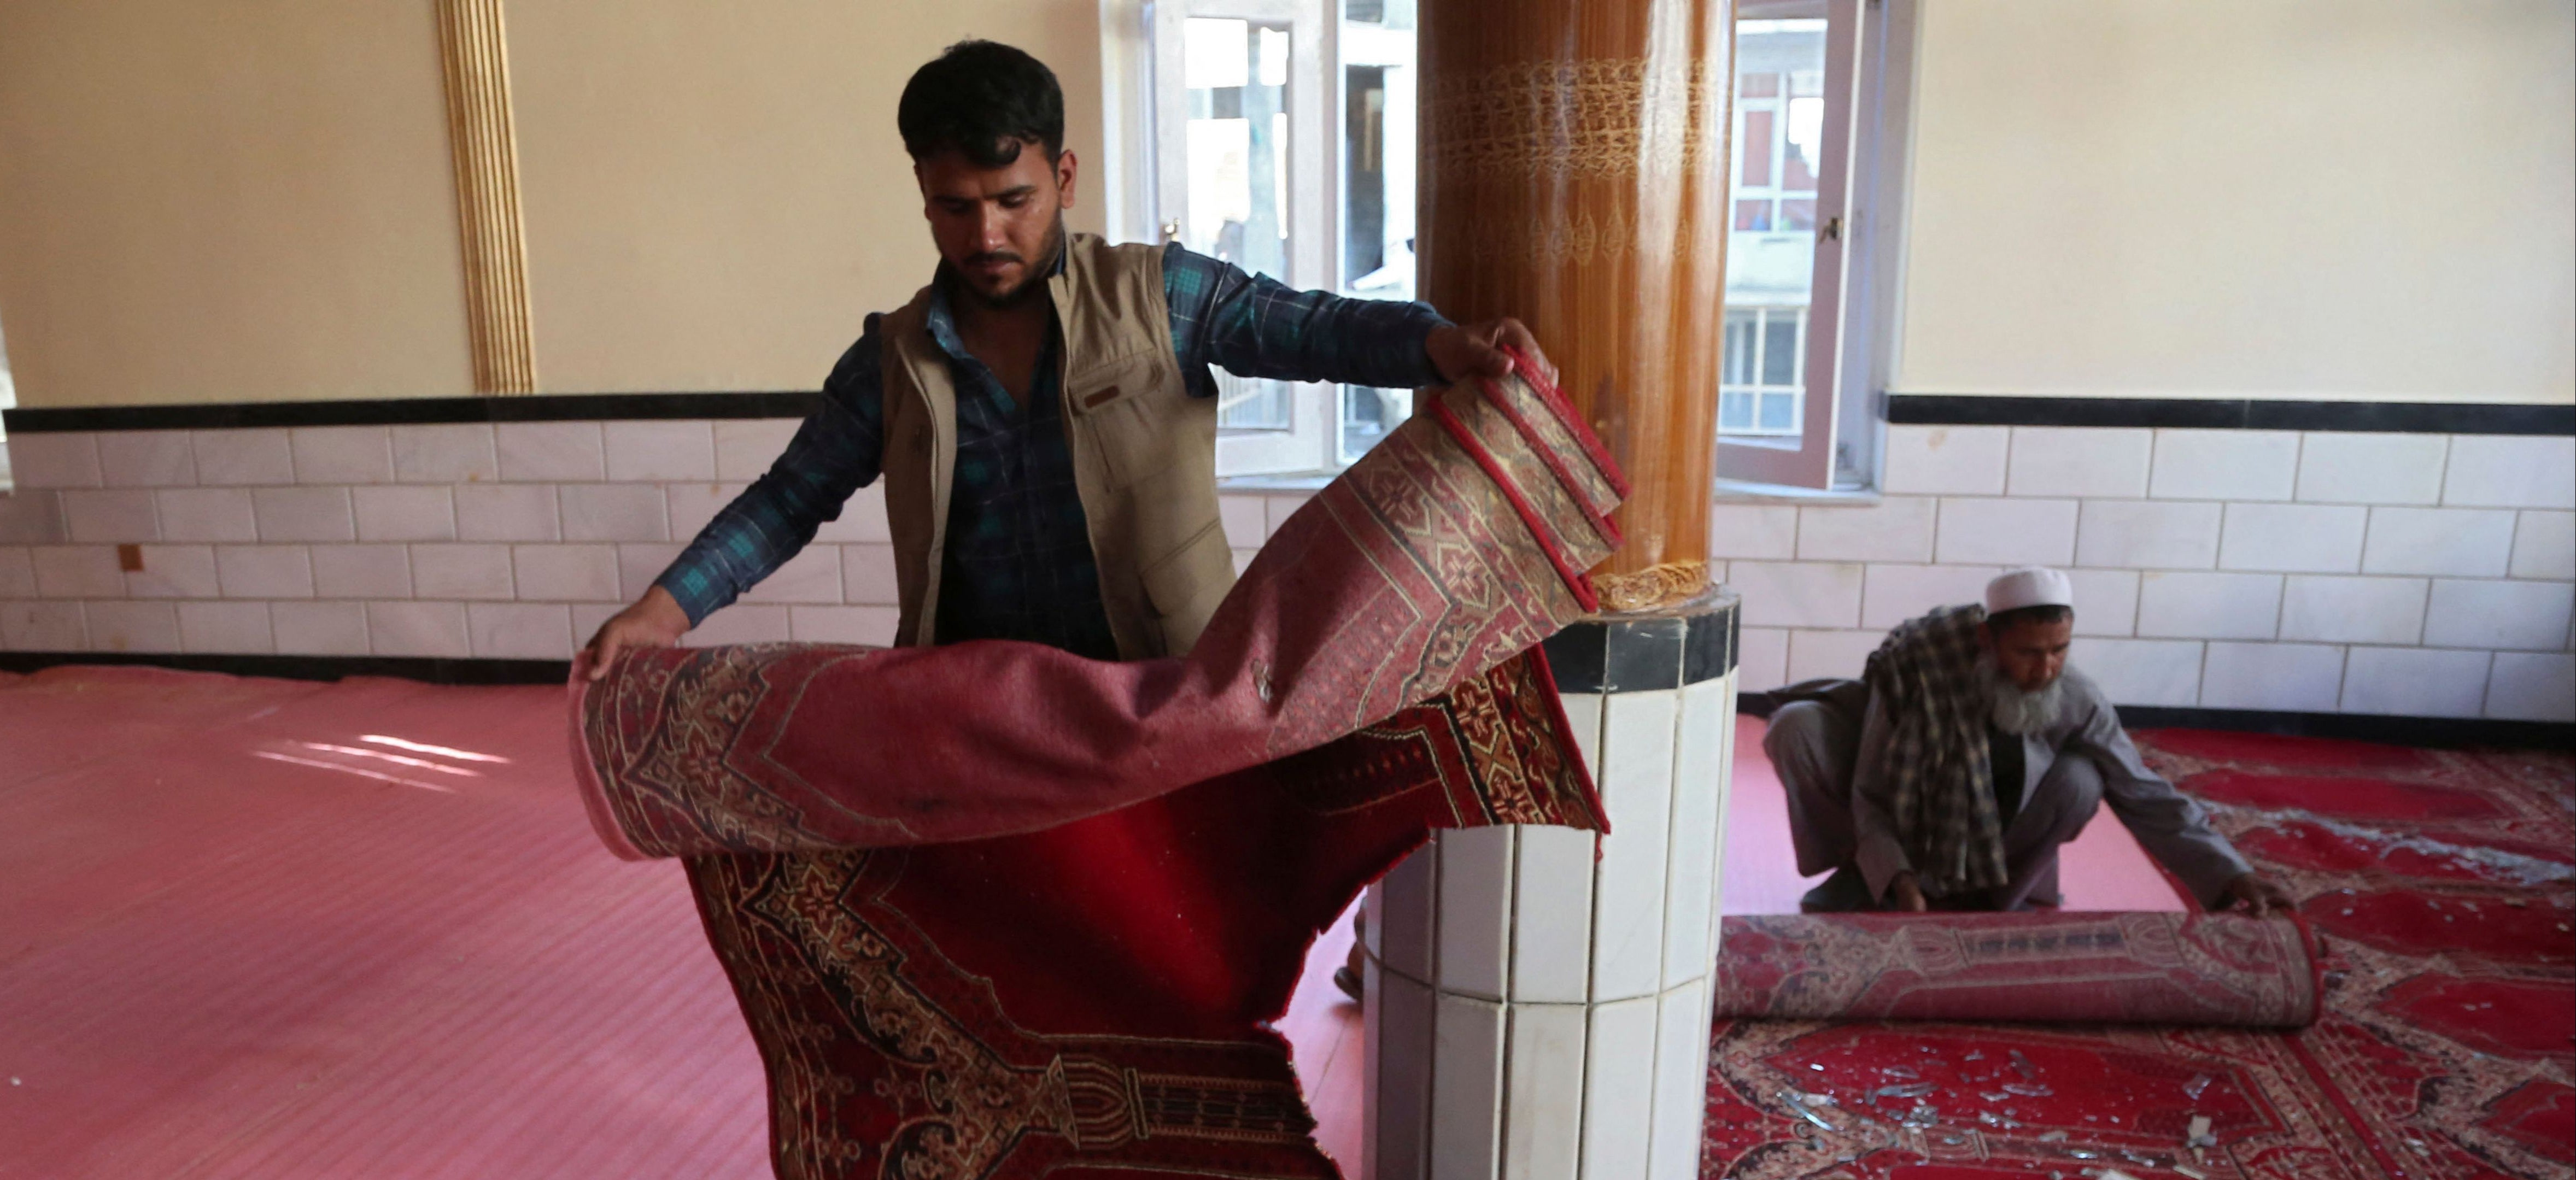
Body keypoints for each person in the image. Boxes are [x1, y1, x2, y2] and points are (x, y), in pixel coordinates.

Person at [577, 38, 1550, 683]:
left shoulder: (1158, 296)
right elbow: (788, 499)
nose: (987, 232)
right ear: (922, 190)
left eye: (1014, 198)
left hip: (1164, 692)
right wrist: (664, 611)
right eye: (957, 206)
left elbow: (1312, 328)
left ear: (1063, 176)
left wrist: (1437, 345)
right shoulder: (892, 360)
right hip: (978, 705)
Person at [1764, 566, 2292, 915]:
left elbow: (2144, 791)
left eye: (2058, 650)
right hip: (1907, 827)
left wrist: (2232, 872)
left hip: (2001, 840)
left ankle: (1996, 896)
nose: (2045, 669)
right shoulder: (1918, 670)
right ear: (1987, 641)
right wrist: (1897, 874)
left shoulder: (2077, 697)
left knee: (2084, 780)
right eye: (2027, 652)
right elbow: (1873, 788)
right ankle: (1864, 875)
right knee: (1798, 728)